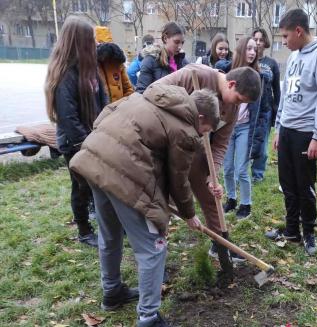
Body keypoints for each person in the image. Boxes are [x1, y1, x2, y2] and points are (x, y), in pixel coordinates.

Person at [70, 85, 220, 327]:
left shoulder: (144, 97)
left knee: (110, 235)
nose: (203, 135)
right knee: (153, 249)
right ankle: (148, 317)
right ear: (200, 117)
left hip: (93, 160)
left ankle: (112, 292)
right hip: (123, 175)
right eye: (206, 130)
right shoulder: (185, 129)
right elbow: (179, 179)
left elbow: (103, 115)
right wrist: (189, 214)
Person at [154, 64, 261, 262]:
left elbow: (221, 143)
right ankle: (157, 255)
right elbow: (153, 93)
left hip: (197, 152)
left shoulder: (233, 108)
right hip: (168, 148)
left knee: (212, 196)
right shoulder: (193, 75)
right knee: (162, 202)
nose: (238, 105)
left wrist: (213, 175)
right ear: (231, 84)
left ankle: (220, 244)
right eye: (239, 99)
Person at [265, 9, 317, 256]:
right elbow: (285, 96)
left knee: (304, 185)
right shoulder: (294, 57)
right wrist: (278, 128)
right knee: (287, 184)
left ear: (298, 30)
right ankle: (292, 230)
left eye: (285, 36)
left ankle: (309, 233)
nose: (283, 41)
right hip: (287, 131)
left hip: (307, 133)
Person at [44, 16, 108, 247]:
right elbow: (69, 120)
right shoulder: (64, 75)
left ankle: (107, 226)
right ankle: (84, 230)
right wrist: (88, 144)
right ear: (78, 42)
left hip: (94, 139)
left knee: (98, 186)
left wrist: (105, 131)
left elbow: (104, 103)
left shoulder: (90, 70)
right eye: (90, 40)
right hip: (76, 144)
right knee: (81, 187)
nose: (95, 44)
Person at [222, 36, 259, 220]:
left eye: (255, 49)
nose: (252, 52)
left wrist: (260, 137)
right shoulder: (227, 72)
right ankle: (231, 198)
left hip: (245, 127)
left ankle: (246, 203)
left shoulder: (259, 76)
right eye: (249, 48)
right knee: (227, 168)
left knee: (241, 169)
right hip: (228, 127)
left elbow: (264, 110)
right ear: (241, 50)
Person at [251, 27, 281, 183]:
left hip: (266, 110)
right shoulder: (247, 60)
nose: (258, 43)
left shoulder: (272, 63)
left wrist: (276, 111)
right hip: (248, 109)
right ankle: (242, 170)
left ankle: (257, 173)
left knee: (262, 144)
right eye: (255, 39)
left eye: (261, 40)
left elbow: (277, 89)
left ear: (265, 42)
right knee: (247, 140)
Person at [136, 22, 188, 93]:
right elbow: (141, 92)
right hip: (156, 104)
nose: (180, 46)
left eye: (182, 42)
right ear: (165, 38)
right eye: (176, 42)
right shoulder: (150, 60)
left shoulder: (183, 60)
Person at [95, 26, 134, 103]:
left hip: (118, 111)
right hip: (100, 113)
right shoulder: (89, 64)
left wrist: (120, 108)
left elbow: (128, 90)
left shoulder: (117, 62)